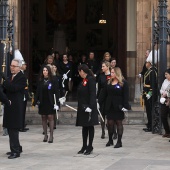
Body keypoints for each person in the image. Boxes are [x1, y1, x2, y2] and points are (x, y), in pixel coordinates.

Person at [98, 67, 130, 148]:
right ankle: (110, 140)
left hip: (119, 106)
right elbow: (103, 93)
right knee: (110, 123)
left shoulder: (123, 83)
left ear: (117, 73)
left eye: (112, 72)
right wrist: (99, 102)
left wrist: (125, 106)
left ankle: (119, 141)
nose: (111, 74)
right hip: (109, 105)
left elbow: (125, 95)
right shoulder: (108, 82)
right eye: (111, 72)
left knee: (119, 122)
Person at [1, 59, 26, 159]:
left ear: (19, 67)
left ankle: (15, 151)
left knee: (13, 129)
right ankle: (17, 147)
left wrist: (6, 82)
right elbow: (6, 89)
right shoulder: (10, 77)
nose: (12, 67)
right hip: (9, 105)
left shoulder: (22, 77)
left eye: (14, 66)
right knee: (10, 128)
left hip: (16, 107)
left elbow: (14, 88)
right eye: (11, 65)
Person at [33, 65, 60, 143]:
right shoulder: (41, 80)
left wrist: (57, 103)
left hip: (50, 101)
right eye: (43, 70)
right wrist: (35, 101)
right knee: (43, 117)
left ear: (49, 71)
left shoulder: (53, 80)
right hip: (43, 101)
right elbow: (37, 91)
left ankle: (51, 135)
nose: (45, 72)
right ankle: (45, 134)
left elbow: (56, 92)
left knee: (50, 117)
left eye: (46, 70)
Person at [76, 64, 98, 155]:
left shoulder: (91, 80)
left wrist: (90, 106)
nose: (79, 74)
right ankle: (84, 145)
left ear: (82, 71)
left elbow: (93, 94)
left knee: (90, 126)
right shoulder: (83, 80)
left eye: (79, 72)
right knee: (84, 126)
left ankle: (90, 146)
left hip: (89, 107)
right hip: (82, 107)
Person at [142, 59, 157, 132]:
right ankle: (149, 124)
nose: (146, 63)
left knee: (150, 110)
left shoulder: (152, 72)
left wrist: (150, 93)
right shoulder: (149, 71)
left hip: (149, 93)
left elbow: (153, 84)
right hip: (146, 92)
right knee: (148, 110)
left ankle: (151, 126)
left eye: (147, 62)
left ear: (150, 63)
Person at [97, 61, 111, 139]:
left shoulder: (111, 75)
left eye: (103, 66)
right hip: (102, 97)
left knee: (110, 115)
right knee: (102, 115)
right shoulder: (101, 76)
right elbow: (99, 88)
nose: (102, 68)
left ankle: (113, 131)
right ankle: (103, 131)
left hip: (109, 96)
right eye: (102, 66)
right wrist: (97, 98)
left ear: (107, 67)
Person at [159, 69, 170, 138]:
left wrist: (167, 94)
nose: (165, 76)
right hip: (164, 100)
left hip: (169, 99)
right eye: (165, 74)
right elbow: (161, 89)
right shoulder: (165, 81)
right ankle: (167, 131)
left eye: (166, 74)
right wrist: (162, 93)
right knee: (163, 115)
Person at [20, 61, 29, 132]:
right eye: (24, 65)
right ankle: (20, 126)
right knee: (21, 111)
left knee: (23, 111)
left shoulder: (23, 73)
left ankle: (22, 125)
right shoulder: (20, 74)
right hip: (21, 95)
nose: (25, 66)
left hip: (24, 95)